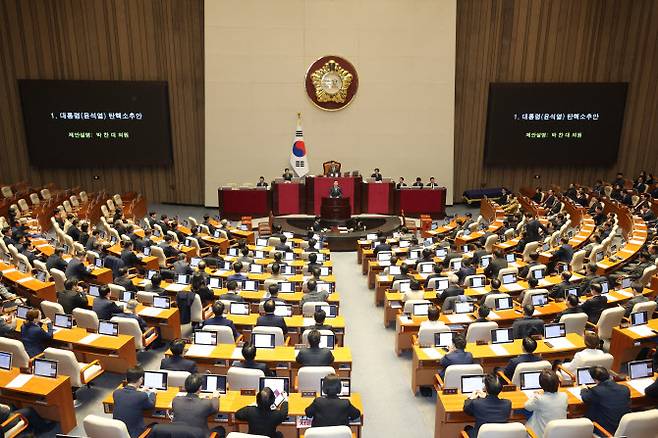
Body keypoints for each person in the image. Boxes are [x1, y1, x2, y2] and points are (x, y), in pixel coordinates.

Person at [581, 366, 631, 433]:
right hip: (623, 428)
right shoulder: (625, 389)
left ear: (595, 380)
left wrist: (583, 389)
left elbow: (585, 398)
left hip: (605, 430)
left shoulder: (596, 391)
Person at [171, 374, 222, 438]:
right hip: (200, 436)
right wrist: (215, 397)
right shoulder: (206, 403)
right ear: (200, 388)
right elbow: (215, 408)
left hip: (179, 435)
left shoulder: (176, 400)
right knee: (220, 429)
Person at [112, 367, 157, 438]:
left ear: (127, 379)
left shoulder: (116, 393)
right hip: (135, 435)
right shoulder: (142, 396)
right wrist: (153, 393)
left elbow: (130, 397)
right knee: (155, 425)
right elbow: (151, 405)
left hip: (118, 433)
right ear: (141, 379)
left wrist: (140, 391)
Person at [463, 373, 512, 438]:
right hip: (500, 435)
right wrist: (486, 396)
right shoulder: (508, 403)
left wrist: (470, 398)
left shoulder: (477, 403)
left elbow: (466, 409)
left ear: (485, 388)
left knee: (468, 428)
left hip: (480, 435)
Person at [524, 370, 568, 438]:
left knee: (523, 411)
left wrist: (534, 395)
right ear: (558, 383)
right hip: (560, 433)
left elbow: (526, 406)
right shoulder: (564, 396)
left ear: (541, 385)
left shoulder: (539, 399)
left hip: (541, 435)